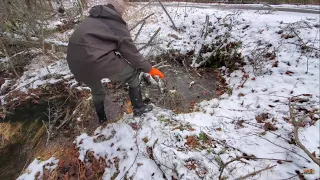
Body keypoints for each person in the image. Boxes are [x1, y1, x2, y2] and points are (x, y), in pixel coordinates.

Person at [66, 0, 164, 124]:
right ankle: (139, 109)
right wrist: (149, 68)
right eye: (123, 12)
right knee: (133, 75)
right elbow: (131, 53)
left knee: (96, 89)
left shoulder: (91, 19)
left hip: (75, 64)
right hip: (97, 61)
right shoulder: (116, 24)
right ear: (120, 11)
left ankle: (102, 120)